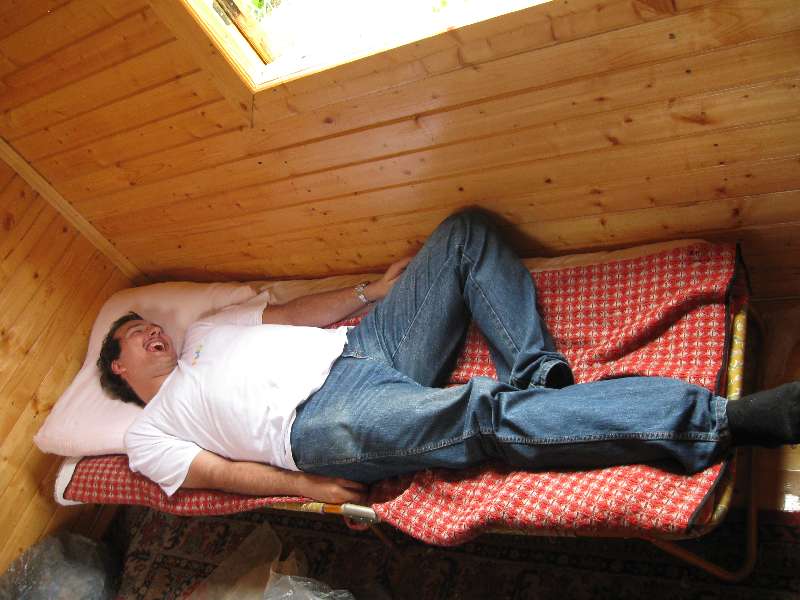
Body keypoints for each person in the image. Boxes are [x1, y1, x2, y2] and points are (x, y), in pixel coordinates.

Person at [99, 210, 800, 505]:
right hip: (320, 422)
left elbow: (287, 314)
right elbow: (219, 473)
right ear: (120, 368)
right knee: (481, 412)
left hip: (364, 345)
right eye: (133, 332)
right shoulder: (148, 432)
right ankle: (726, 421)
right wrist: (307, 488)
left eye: (149, 322)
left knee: (463, 234)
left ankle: (540, 375)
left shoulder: (210, 330)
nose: (151, 329)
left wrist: (370, 293)